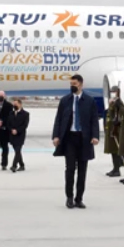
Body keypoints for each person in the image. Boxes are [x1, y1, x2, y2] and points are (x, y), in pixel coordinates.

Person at [52, 74, 100, 208]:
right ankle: (69, 197)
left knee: (82, 170)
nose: (72, 86)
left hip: (84, 139)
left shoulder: (89, 101)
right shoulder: (65, 100)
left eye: (75, 84)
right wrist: (56, 136)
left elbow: (94, 121)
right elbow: (58, 119)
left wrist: (95, 136)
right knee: (70, 169)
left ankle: (79, 198)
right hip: (69, 139)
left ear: (81, 84)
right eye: (71, 84)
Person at [103, 86, 124, 177]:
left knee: (115, 149)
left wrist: (116, 104)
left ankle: (117, 169)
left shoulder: (119, 102)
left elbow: (120, 114)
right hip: (111, 129)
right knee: (112, 149)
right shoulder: (112, 102)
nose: (112, 93)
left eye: (114, 91)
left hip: (116, 129)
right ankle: (115, 168)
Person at [9, 98, 29, 172]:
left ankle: (14, 166)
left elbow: (25, 125)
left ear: (20, 104)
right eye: (14, 104)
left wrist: (17, 130)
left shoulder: (26, 114)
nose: (14, 105)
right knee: (17, 151)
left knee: (17, 150)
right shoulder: (11, 113)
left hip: (20, 135)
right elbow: (8, 124)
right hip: (12, 135)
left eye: (16, 104)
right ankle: (22, 165)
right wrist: (11, 130)